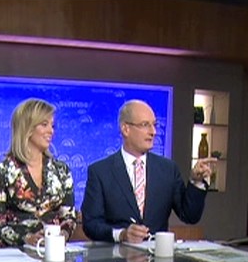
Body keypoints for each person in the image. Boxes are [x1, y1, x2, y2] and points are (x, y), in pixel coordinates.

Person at [82, 99, 214, 244]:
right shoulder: (100, 172)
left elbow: (189, 216)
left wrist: (196, 182)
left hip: (157, 255)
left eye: (154, 125)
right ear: (125, 129)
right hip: (116, 255)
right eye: (145, 125)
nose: (153, 132)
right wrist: (121, 234)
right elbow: (91, 224)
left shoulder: (168, 169)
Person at [0, 98, 77, 247]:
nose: (51, 131)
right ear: (27, 128)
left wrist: (62, 236)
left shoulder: (62, 171)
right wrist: (26, 239)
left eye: (52, 125)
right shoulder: (2, 172)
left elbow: (68, 217)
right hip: (14, 254)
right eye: (44, 124)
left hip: (52, 251)